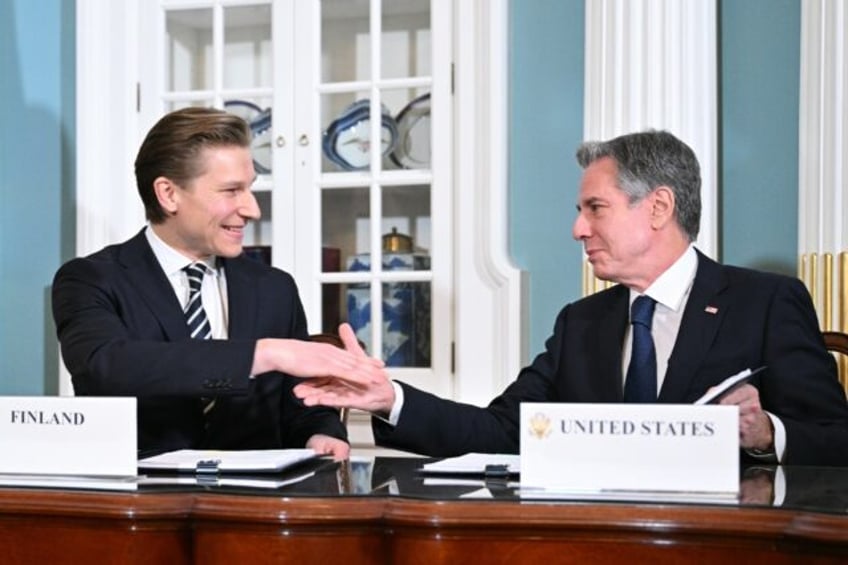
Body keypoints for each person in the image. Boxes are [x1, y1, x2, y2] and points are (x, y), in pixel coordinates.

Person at [295, 130, 848, 466]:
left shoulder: (766, 302)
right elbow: (501, 431)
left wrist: (765, 432)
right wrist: (390, 397)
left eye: (595, 208)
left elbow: (836, 442)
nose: (577, 229)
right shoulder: (583, 322)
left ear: (657, 208)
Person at [52, 107, 385, 459]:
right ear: (168, 194)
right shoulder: (91, 279)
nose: (252, 209)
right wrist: (263, 354)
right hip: (140, 503)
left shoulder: (274, 289)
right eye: (231, 190)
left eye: (250, 188)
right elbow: (108, 367)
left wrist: (320, 433)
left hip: (252, 507)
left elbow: (302, 404)